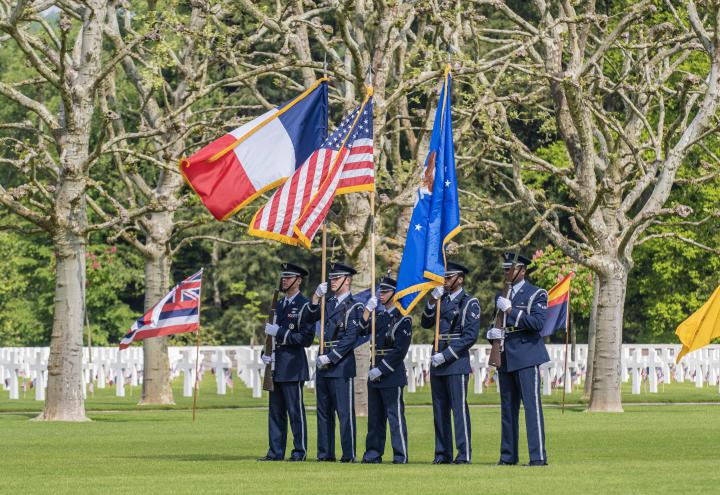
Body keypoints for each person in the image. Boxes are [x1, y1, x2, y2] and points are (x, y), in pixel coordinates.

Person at [487, 253, 549, 466]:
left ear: (522, 270)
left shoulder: (536, 293)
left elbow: (537, 324)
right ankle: (508, 456)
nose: (506, 272)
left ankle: (538, 456)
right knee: (507, 409)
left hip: (526, 354)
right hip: (505, 355)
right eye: (505, 269)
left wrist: (512, 311)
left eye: (510, 269)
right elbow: (496, 321)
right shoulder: (501, 295)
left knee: (532, 408)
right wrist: (491, 334)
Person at [421, 261, 481, 464]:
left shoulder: (469, 303)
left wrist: (445, 355)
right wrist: (431, 301)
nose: (444, 281)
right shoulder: (440, 299)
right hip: (437, 362)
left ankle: (463, 454)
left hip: (455, 362)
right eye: (444, 277)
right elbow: (425, 322)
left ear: (460, 279)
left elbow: (469, 337)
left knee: (458, 409)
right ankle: (442, 453)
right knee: (439, 410)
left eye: (449, 277)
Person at [308, 262, 365, 462]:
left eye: (336, 278)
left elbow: (350, 338)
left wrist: (331, 357)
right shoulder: (327, 303)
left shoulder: (355, 306)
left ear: (347, 280)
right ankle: (325, 454)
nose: (332, 281)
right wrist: (315, 298)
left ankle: (348, 455)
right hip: (323, 364)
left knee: (344, 413)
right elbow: (310, 317)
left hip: (340, 365)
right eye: (331, 278)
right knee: (323, 413)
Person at [258, 263, 315, 462]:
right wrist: (264, 354)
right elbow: (269, 336)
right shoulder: (279, 304)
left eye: (289, 277)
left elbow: (305, 339)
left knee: (295, 412)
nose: (284, 280)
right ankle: (275, 452)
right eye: (283, 276)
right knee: (275, 413)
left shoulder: (305, 305)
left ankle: (299, 452)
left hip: (293, 367)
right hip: (275, 366)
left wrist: (280, 333)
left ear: (298, 280)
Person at [359, 276, 412, 464]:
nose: (381, 295)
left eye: (385, 292)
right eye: (380, 292)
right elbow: (360, 330)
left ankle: (400, 455)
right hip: (375, 371)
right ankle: (373, 454)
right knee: (375, 419)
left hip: (391, 373)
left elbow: (399, 351)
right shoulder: (378, 317)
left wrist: (381, 369)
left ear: (395, 294)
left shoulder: (403, 319)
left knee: (395, 417)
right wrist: (367, 310)